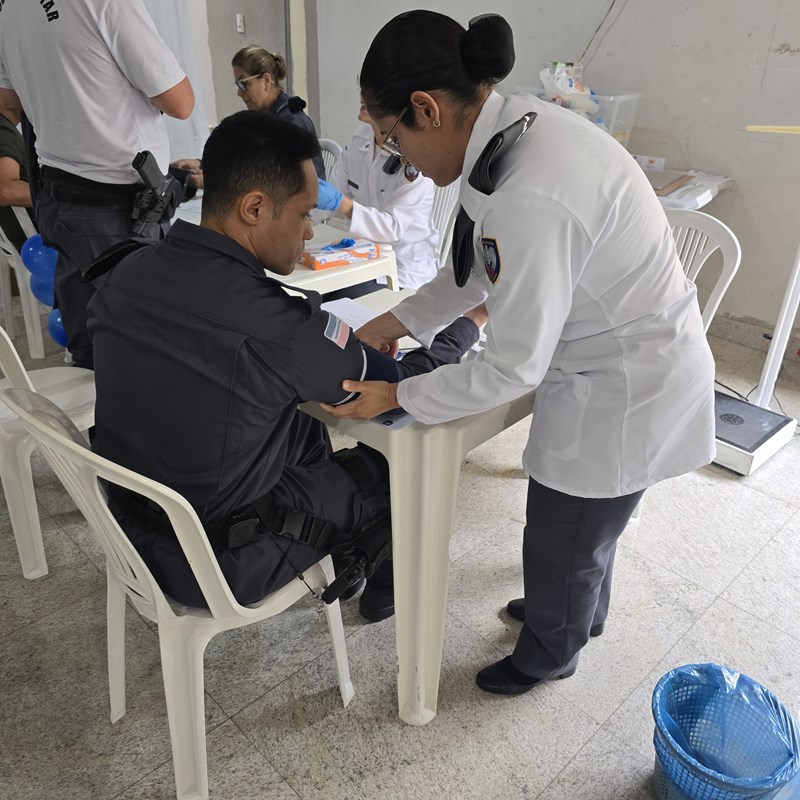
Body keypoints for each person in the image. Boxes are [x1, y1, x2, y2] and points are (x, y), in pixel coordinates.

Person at [322, 11, 716, 694]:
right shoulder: (512, 132)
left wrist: (400, 395)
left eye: (393, 139)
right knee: (586, 531)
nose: (399, 157)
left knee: (567, 529)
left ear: (426, 109)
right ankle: (576, 613)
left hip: (627, 384)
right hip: (614, 358)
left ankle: (548, 654)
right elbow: (471, 272)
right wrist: (394, 321)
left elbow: (512, 367)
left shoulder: (529, 192)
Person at [87, 110, 484, 620]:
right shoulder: (280, 325)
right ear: (254, 207)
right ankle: (382, 583)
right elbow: (405, 385)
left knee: (300, 425)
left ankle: (351, 552)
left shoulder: (127, 271)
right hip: (218, 560)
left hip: (132, 530)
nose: (308, 230)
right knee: (402, 463)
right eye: (302, 214)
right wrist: (470, 320)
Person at [0, 0, 194, 369]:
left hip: (61, 199)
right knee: (148, 353)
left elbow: (8, 101)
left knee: (90, 346)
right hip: (119, 212)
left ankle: (98, 427)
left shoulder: (11, 8)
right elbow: (180, 101)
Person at [315, 96, 439, 296]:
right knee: (310, 292)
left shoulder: (415, 157)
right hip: (363, 256)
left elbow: (392, 228)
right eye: (363, 90)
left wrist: (343, 205)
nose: (364, 97)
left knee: (330, 299)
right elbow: (331, 194)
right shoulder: (360, 138)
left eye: (373, 92)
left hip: (403, 267)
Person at [173, 45, 325, 185]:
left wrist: (211, 182)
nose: (239, 93)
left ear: (266, 81)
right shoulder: (262, 119)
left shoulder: (292, 124)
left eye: (243, 84)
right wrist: (203, 165)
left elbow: (275, 181)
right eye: (238, 85)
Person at [0, 106, 33, 252]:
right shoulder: (3, 131)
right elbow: (5, 190)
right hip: (36, 239)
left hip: (15, 237)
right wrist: (56, 196)